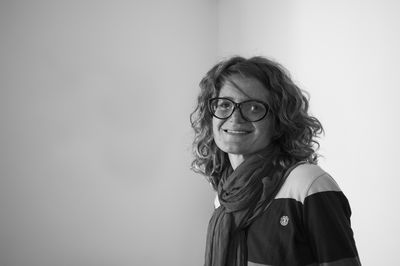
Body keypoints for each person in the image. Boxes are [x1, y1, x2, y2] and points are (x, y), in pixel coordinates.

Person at [190, 56, 360, 266]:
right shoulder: (225, 198)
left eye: (253, 107)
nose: (235, 118)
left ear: (279, 121)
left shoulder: (308, 185)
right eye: (224, 104)